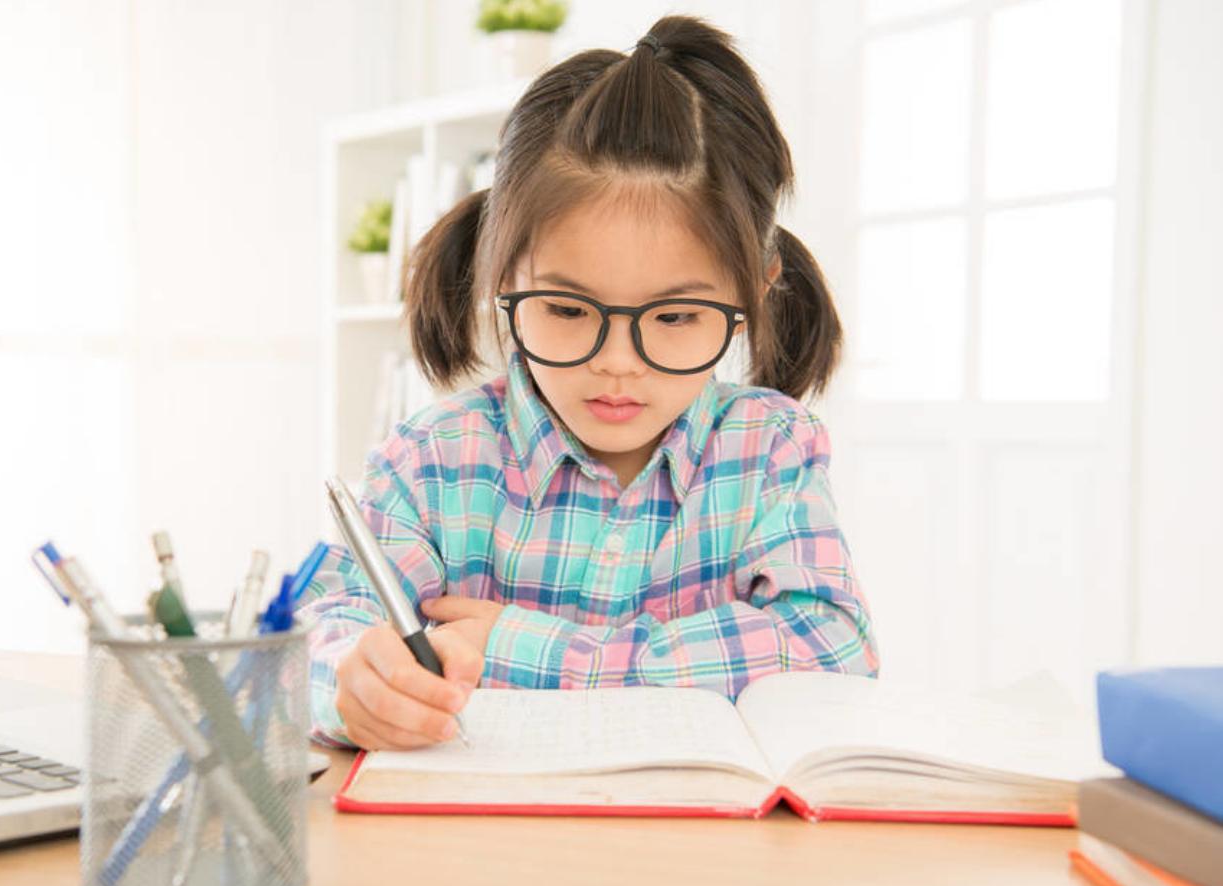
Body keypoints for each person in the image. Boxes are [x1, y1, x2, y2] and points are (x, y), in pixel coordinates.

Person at [298, 15, 880, 751]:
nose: (617, 362)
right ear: (502, 275)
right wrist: (354, 686)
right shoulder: (432, 460)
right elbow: (326, 631)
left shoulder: (768, 449)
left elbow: (832, 649)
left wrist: (544, 651)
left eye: (674, 316)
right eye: (569, 308)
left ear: (755, 293)